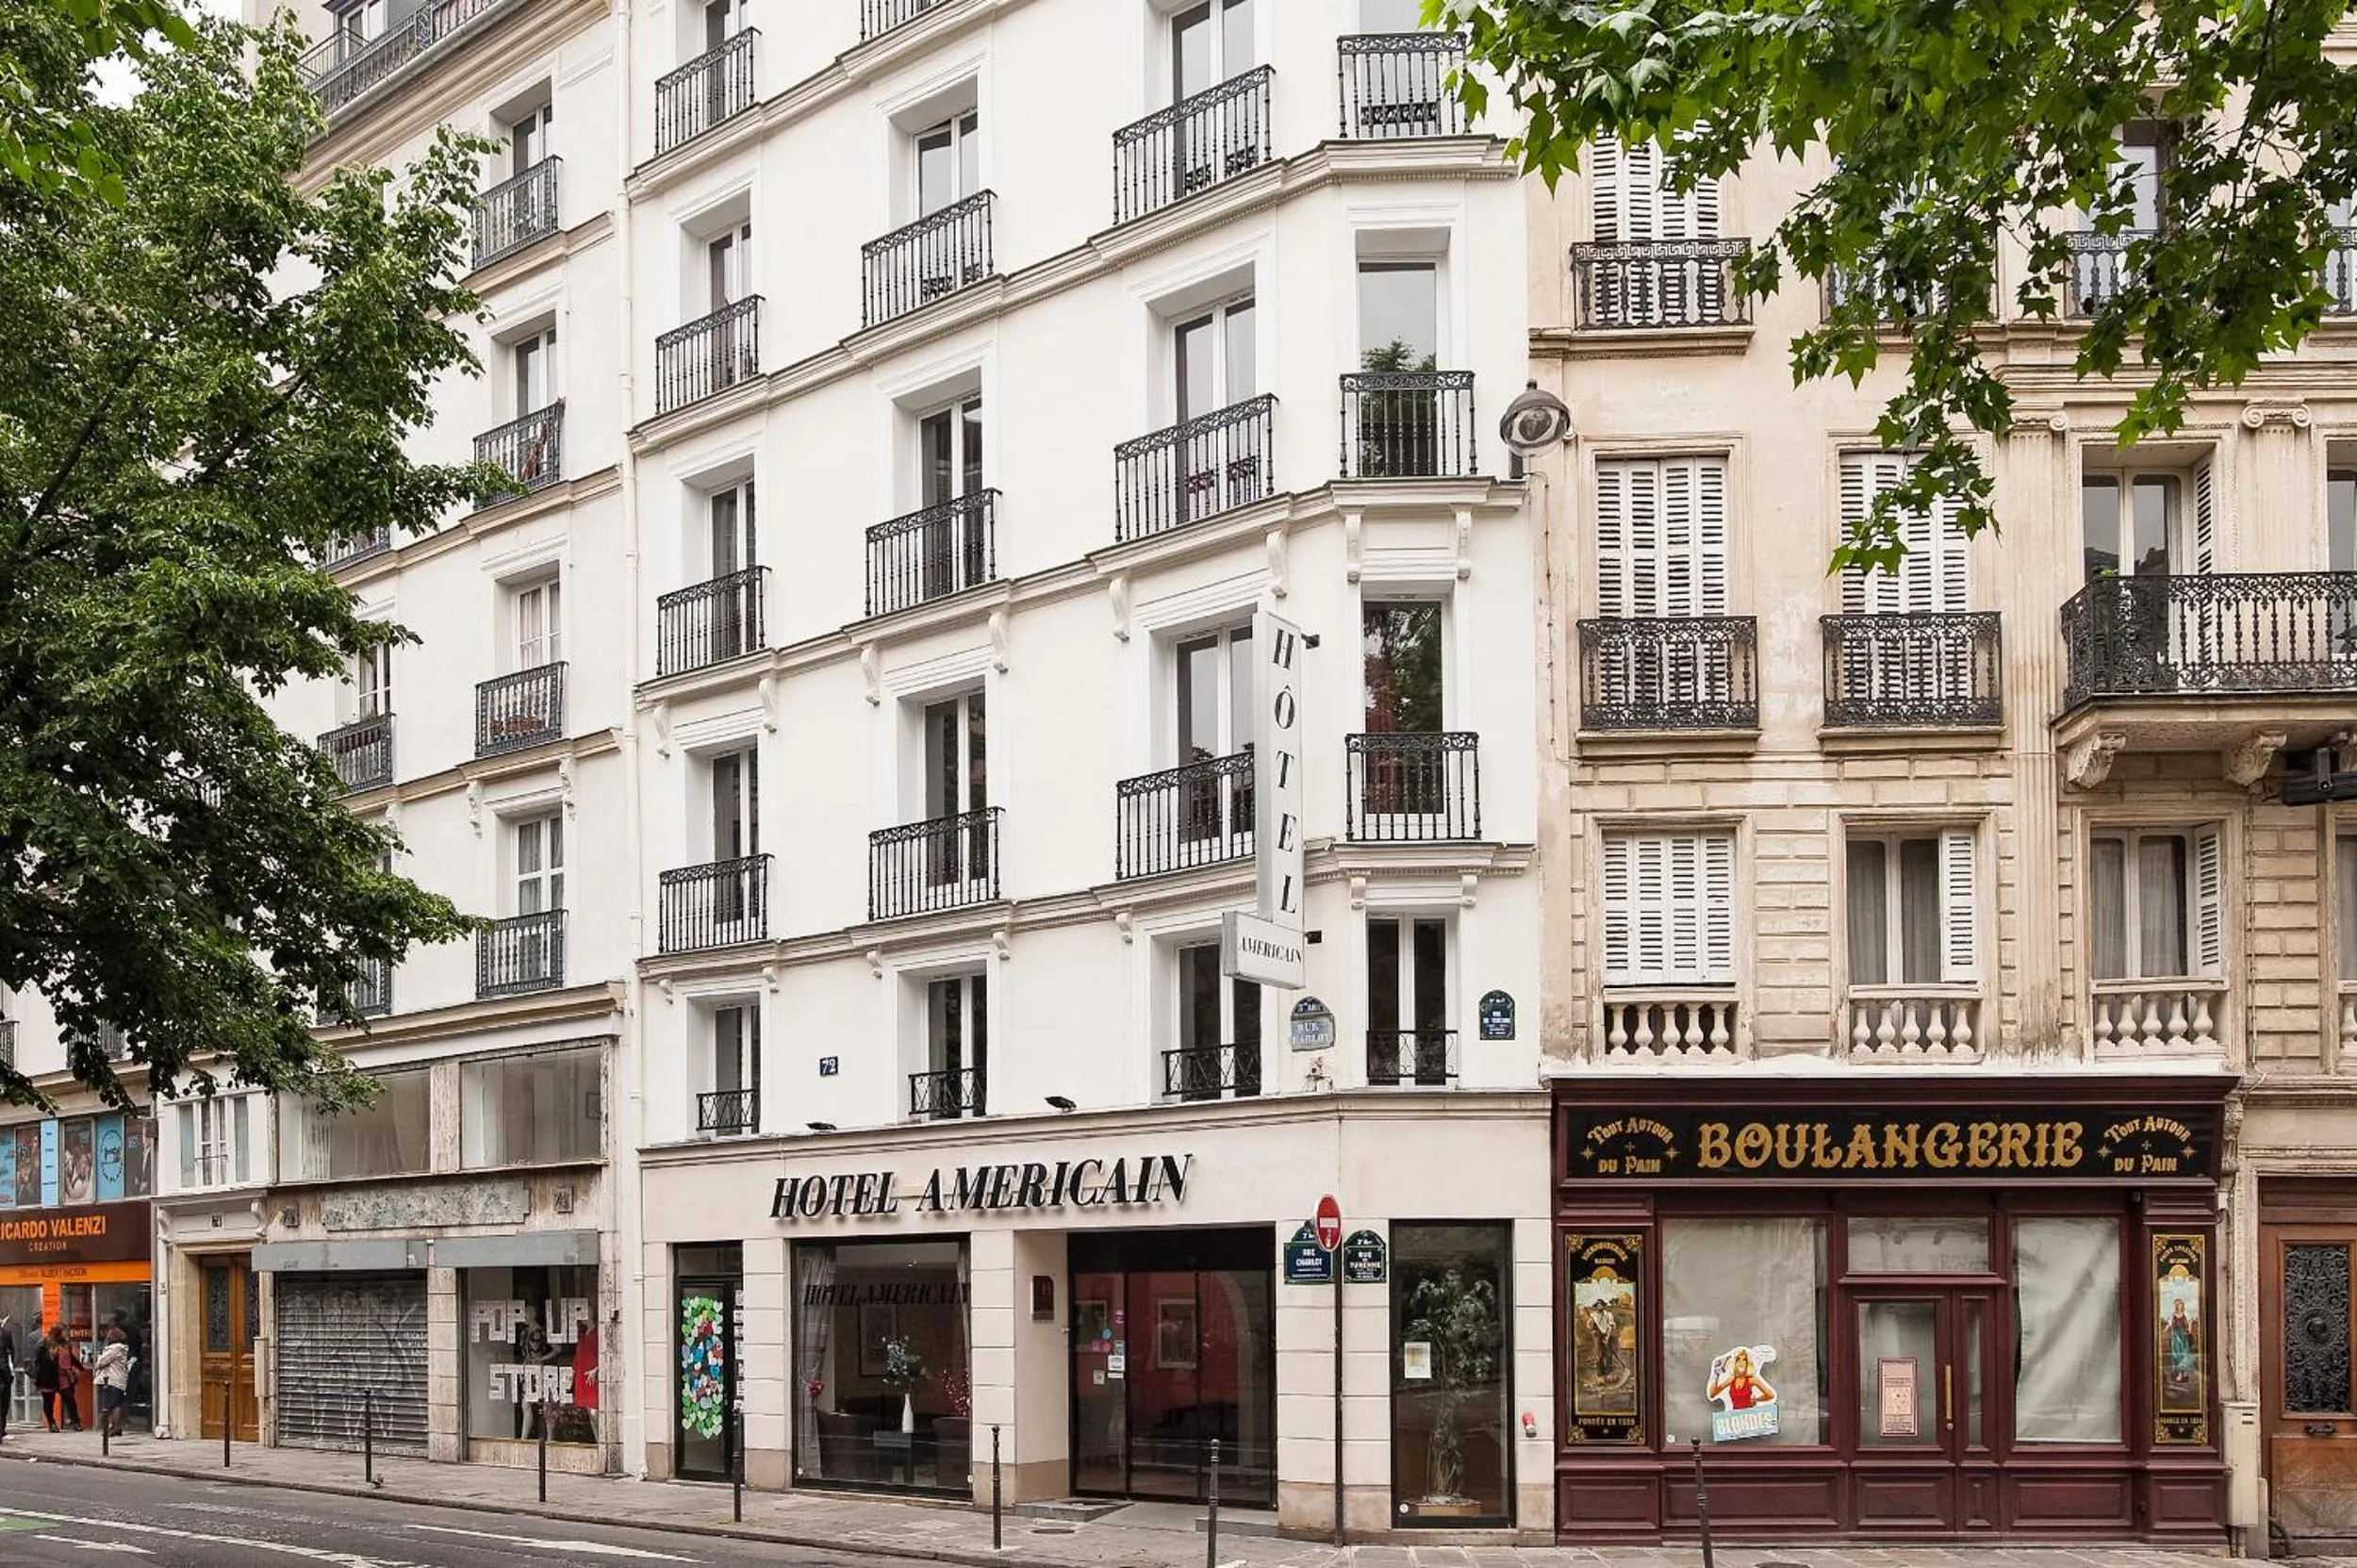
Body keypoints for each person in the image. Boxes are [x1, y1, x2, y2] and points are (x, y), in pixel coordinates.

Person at [93, 1326, 129, 1439]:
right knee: (116, 1404)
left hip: (110, 1380)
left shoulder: (114, 1349)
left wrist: (98, 1361)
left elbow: (102, 1362)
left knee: (110, 1405)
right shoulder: (122, 1349)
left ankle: (113, 1427)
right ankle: (116, 1427)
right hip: (119, 1380)